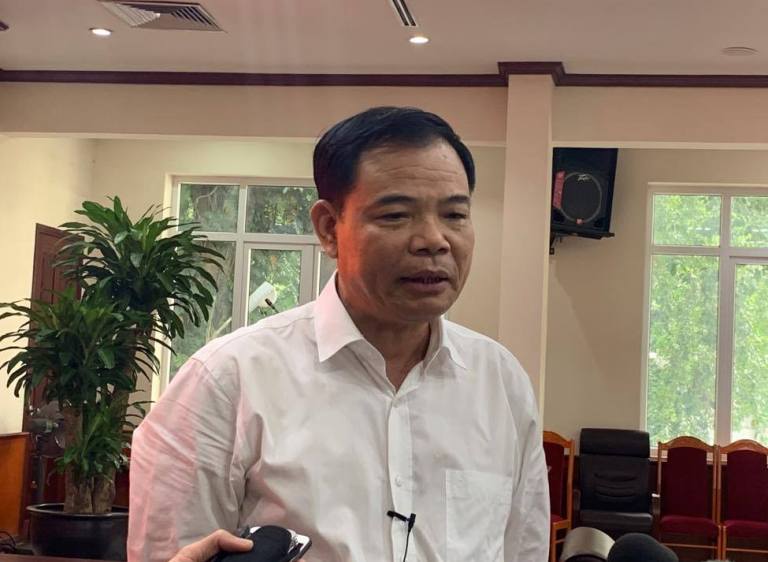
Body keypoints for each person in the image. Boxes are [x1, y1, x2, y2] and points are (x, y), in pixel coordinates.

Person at [128, 106, 549, 562]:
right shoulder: (226, 381)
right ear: (329, 229)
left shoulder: (500, 383)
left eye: (454, 214)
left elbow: (523, 549)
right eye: (396, 215)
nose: (434, 240)